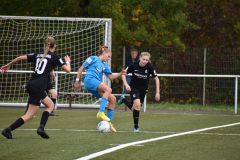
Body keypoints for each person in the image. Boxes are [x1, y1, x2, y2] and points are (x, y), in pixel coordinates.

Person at [1, 36, 71, 139]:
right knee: (29, 115)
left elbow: (20, 57)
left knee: (50, 105)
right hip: (38, 87)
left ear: (44, 45)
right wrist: (68, 61)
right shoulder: (55, 57)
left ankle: (41, 128)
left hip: (33, 85)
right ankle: (8, 130)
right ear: (55, 46)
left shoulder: (37, 54)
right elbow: (68, 70)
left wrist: (8, 64)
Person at [73, 45, 126, 132]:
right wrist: (77, 81)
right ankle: (101, 112)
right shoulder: (93, 58)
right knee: (108, 90)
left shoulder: (105, 65)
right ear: (104, 53)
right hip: (90, 80)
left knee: (113, 99)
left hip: (95, 85)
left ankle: (108, 123)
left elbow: (111, 76)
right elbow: (81, 68)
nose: (108, 58)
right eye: (108, 56)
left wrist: (120, 73)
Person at [119, 52, 160, 132]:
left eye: (146, 60)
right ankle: (136, 127)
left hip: (143, 90)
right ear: (140, 58)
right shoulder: (133, 65)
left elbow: (156, 78)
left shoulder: (150, 67)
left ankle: (123, 100)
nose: (145, 61)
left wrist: (157, 92)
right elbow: (123, 74)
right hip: (134, 88)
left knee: (136, 108)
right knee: (137, 104)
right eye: (143, 59)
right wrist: (126, 85)